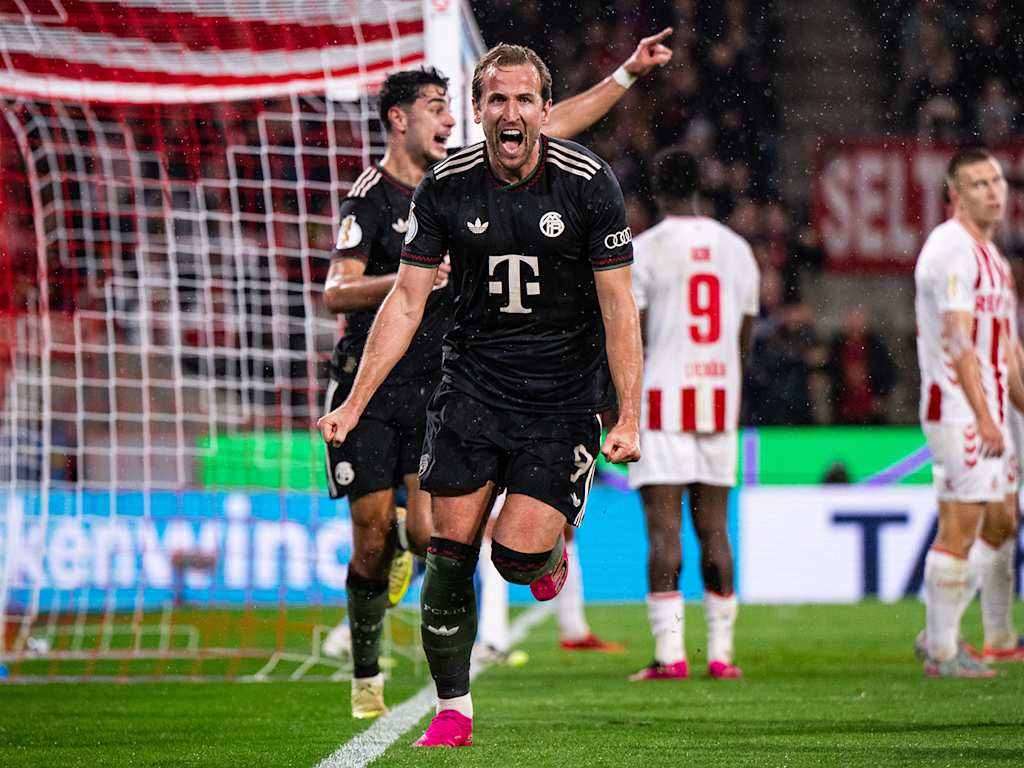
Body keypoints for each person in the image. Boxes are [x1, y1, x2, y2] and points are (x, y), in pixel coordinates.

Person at [320, 31, 673, 719]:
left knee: (512, 555)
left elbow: (618, 306)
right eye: (489, 102)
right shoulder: (440, 187)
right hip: (463, 387)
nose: (504, 114)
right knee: (443, 548)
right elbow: (400, 298)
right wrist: (355, 401)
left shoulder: (587, 181)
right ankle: (449, 709)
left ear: (540, 107)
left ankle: (541, 561)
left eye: (523, 101)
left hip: (558, 394)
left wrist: (628, 413)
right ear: (477, 110)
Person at [625, 149, 758, 682]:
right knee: (714, 529)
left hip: (662, 402)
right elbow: (745, 337)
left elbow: (630, 334)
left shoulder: (645, 250)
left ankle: (671, 656)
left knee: (664, 533)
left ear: (657, 191)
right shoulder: (738, 250)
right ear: (705, 186)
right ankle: (722, 656)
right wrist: (724, 375)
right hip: (719, 401)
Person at [913, 146, 1024, 677]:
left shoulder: (994, 258)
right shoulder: (951, 250)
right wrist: (984, 417)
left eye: (997, 181)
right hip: (958, 408)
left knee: (1002, 518)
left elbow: (1006, 350)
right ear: (955, 195)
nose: (994, 191)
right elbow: (959, 340)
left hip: (989, 409)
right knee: (960, 526)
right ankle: (941, 650)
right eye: (979, 184)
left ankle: (941, 622)